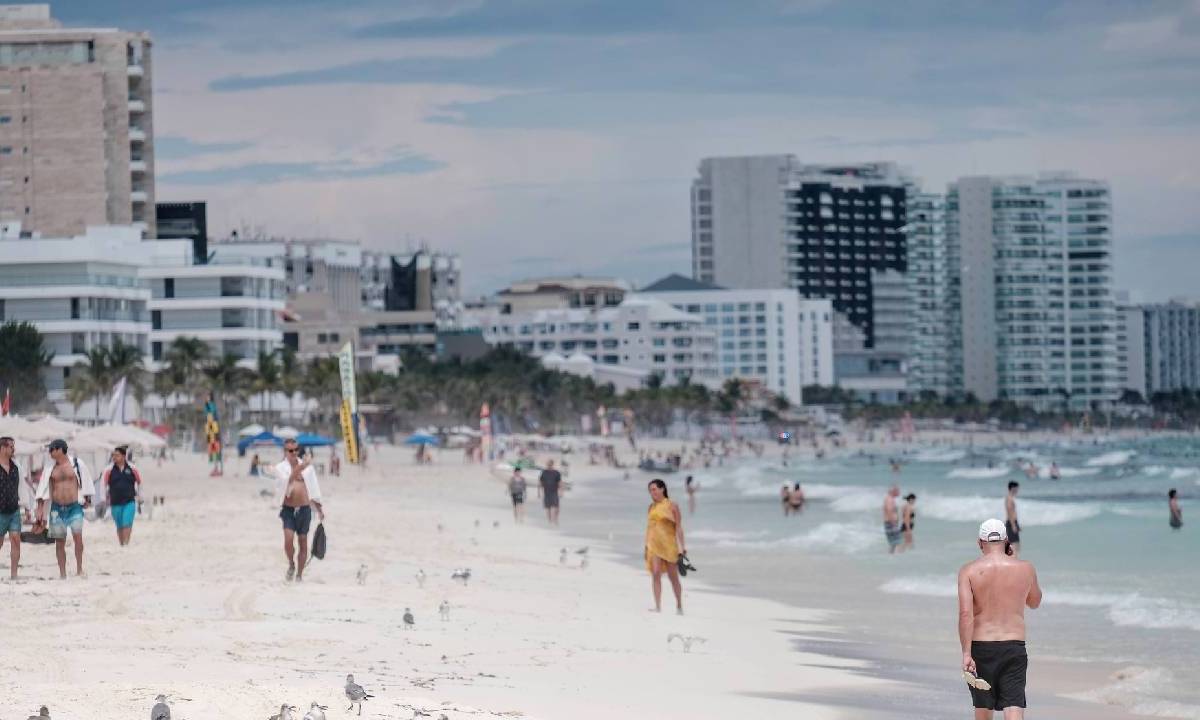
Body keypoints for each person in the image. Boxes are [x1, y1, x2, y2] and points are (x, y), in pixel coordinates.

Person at [957, 519, 1042, 719]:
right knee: (1014, 707)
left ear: (980, 543)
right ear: (1006, 541)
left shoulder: (968, 571)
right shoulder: (1026, 568)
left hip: (981, 647)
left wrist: (966, 653)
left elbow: (965, 614)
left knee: (983, 709)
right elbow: (1035, 602)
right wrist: (1016, 560)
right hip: (1014, 646)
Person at [35, 439, 93, 579]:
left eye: (52, 449)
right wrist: (40, 508)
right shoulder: (50, 468)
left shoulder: (77, 464)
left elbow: (86, 480)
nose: (49, 452)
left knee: (77, 537)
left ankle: (79, 568)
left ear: (60, 449)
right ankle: (63, 573)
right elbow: (42, 488)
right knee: (59, 541)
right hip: (56, 509)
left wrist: (88, 499)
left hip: (74, 507)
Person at [274, 439, 325, 582]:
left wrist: (319, 509)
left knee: (303, 542)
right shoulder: (281, 468)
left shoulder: (308, 469)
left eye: (296, 449)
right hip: (288, 509)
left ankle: (299, 575)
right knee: (288, 541)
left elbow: (314, 488)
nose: (294, 453)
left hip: (304, 509)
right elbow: (287, 481)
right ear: (285, 451)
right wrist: (302, 466)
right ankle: (291, 563)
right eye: (291, 450)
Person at [644, 479, 685, 615]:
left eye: (654, 489)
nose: (652, 492)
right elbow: (649, 528)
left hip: (669, 545)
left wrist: (682, 547)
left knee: (673, 578)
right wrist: (646, 546)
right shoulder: (651, 507)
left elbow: (678, 527)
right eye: (650, 490)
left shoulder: (672, 505)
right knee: (655, 574)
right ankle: (657, 606)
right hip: (654, 545)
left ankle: (679, 605)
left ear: (662, 489)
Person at [101, 446, 143, 546]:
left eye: (117, 455)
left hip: (129, 501)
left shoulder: (132, 468)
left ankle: (126, 543)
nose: (114, 457)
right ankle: (122, 544)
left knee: (126, 523)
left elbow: (140, 483)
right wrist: (103, 499)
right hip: (115, 502)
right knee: (119, 525)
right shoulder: (109, 470)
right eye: (113, 455)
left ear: (124, 456)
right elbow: (103, 485)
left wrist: (140, 496)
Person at [0, 436, 22, 579]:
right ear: (2, 448)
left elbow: (22, 487)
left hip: (14, 510)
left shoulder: (16, 467)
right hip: (0, 512)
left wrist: (26, 507)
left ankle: (14, 575)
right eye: (11, 447)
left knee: (16, 540)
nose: (13, 449)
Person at [538, 459, 563, 526]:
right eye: (548, 464)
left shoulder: (556, 472)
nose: (548, 466)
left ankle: (555, 519)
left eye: (550, 464)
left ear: (552, 464)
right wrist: (539, 492)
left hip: (554, 491)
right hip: (546, 492)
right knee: (548, 507)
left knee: (556, 507)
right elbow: (540, 482)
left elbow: (560, 482)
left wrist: (561, 491)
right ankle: (550, 520)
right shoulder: (544, 472)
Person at [882, 485, 902, 554]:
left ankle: (891, 557)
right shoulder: (889, 499)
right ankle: (899, 559)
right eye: (898, 491)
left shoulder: (890, 499)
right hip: (890, 523)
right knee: (898, 541)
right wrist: (893, 522)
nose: (899, 493)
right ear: (893, 491)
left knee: (893, 543)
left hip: (890, 522)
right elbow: (889, 511)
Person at [1005, 482, 1021, 554]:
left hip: (1013, 522)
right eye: (1016, 489)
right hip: (1011, 523)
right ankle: (1013, 562)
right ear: (1012, 488)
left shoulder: (1010, 498)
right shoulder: (1009, 499)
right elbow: (1009, 512)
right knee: (1014, 545)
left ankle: (1013, 561)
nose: (1017, 490)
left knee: (1016, 545)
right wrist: (1013, 525)